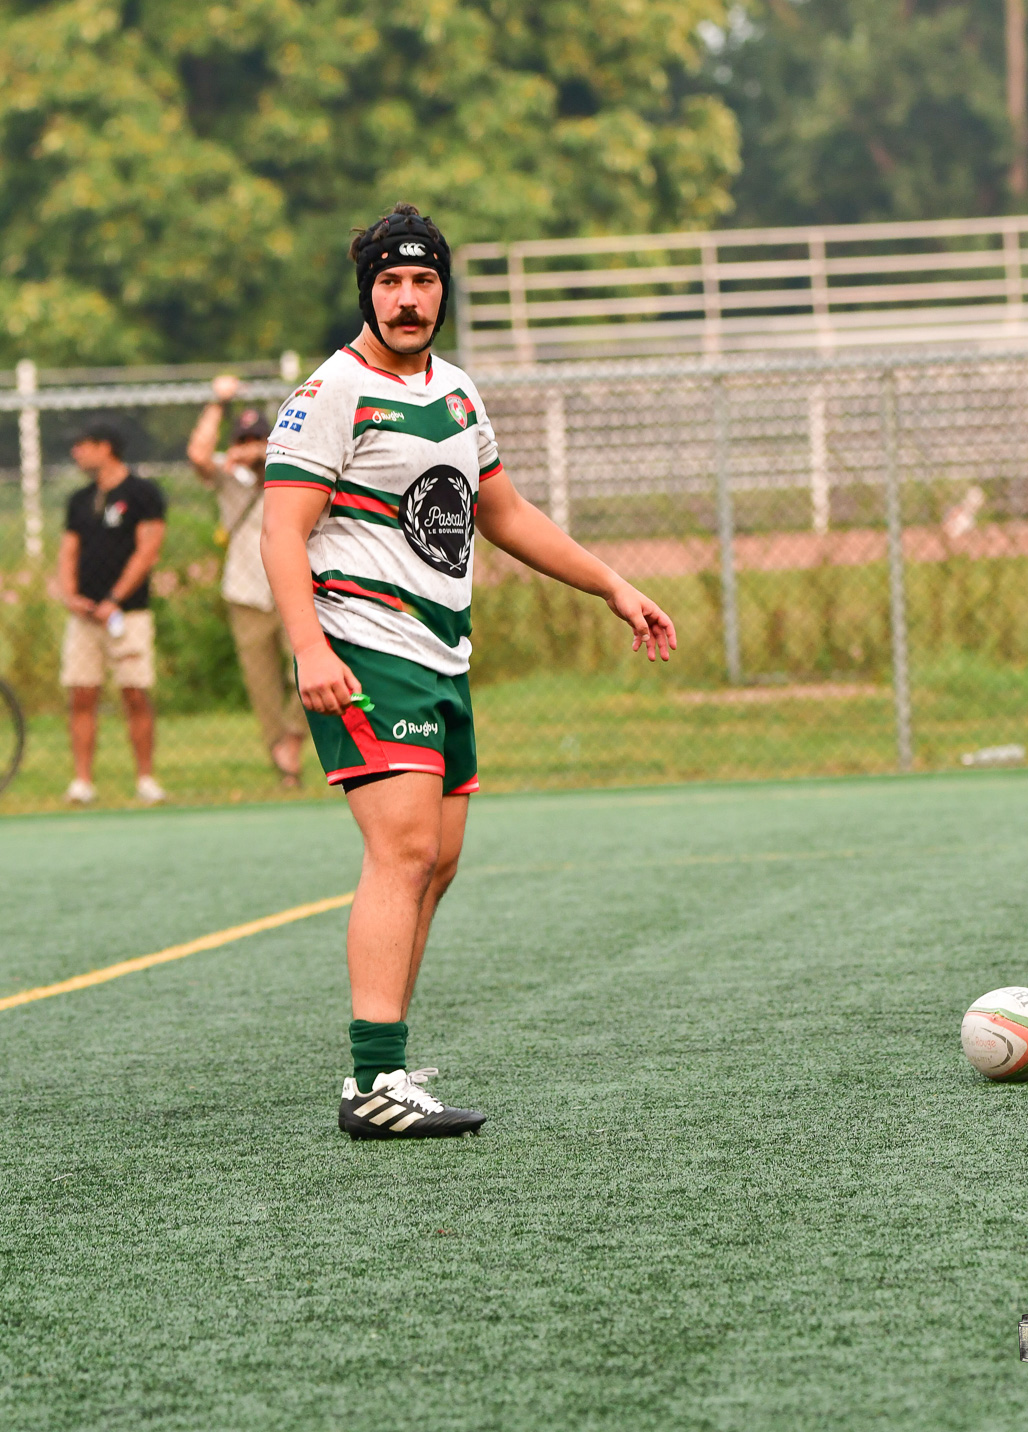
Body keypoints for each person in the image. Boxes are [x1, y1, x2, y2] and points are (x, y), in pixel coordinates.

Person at [261, 202, 676, 1140]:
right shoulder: (333, 393)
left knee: (438, 863)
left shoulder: (455, 390)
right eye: (390, 282)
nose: (407, 299)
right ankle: (375, 1082)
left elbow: (506, 512)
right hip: (366, 650)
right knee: (403, 853)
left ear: (444, 291)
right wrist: (310, 647)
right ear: (366, 292)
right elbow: (280, 532)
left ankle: (387, 1060)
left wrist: (612, 585)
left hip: (442, 656)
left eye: (423, 281)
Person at [187, 379, 306, 785]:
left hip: (293, 588)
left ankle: (294, 738)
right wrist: (218, 402)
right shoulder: (228, 480)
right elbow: (198, 454)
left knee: (307, 669)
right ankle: (281, 758)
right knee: (261, 684)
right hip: (245, 592)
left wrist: (259, 453)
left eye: (259, 438)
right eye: (244, 440)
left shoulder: (288, 473)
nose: (251, 447)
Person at [58, 422, 167, 806]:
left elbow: (147, 551)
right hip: (84, 617)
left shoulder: (142, 493)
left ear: (105, 447)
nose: (76, 453)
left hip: (128, 613)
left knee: (134, 692)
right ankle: (82, 782)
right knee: (81, 693)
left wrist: (114, 599)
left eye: (82, 445)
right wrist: (71, 596)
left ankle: (146, 779)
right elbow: (68, 551)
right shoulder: (79, 499)